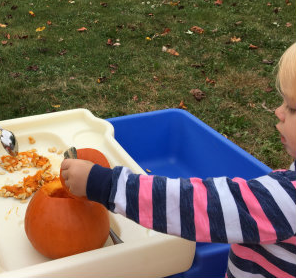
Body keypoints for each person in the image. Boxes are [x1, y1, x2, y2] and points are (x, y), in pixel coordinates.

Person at [61, 42, 296, 277]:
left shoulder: (286, 202)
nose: (278, 111)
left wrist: (105, 184)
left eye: (292, 107)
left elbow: (198, 206)